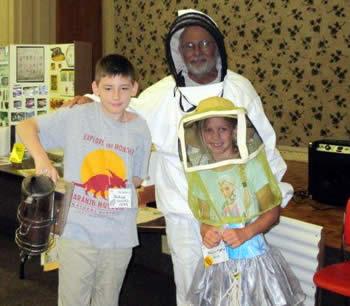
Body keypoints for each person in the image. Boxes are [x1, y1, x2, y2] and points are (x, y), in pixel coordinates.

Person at [69, 9, 294, 306]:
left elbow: (264, 147)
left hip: (239, 215)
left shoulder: (240, 89)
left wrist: (271, 199)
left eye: (204, 44)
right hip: (186, 217)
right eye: (189, 45)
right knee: (191, 289)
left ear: (217, 47)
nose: (197, 52)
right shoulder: (163, 94)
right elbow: (127, 110)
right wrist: (93, 101)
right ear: (178, 51)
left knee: (240, 292)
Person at [16, 54, 152, 306]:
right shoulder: (76, 116)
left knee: (107, 300)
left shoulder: (140, 128)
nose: (116, 96)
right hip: (79, 231)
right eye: (108, 88)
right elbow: (25, 127)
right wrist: (41, 160)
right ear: (95, 88)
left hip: (119, 235)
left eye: (124, 88)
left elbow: (135, 179)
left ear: (134, 88)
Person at [178, 96, 305, 305]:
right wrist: (207, 232)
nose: (215, 136)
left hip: (253, 259)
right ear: (200, 134)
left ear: (235, 131)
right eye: (209, 130)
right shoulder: (201, 174)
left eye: (222, 129)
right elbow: (205, 218)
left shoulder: (252, 166)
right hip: (219, 262)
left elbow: (272, 213)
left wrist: (245, 232)